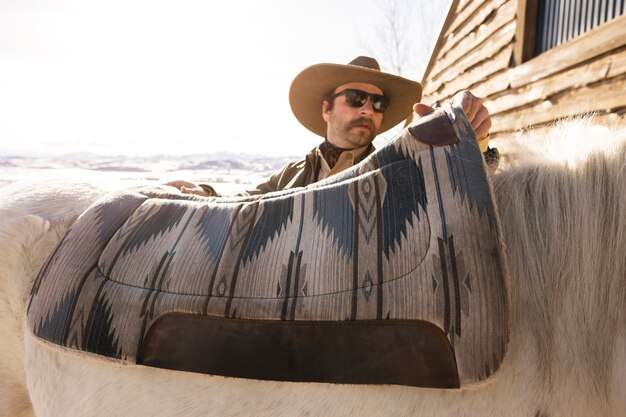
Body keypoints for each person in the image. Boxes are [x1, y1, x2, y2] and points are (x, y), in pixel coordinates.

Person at [166, 56, 491, 197]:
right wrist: (207, 193)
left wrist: (472, 148)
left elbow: (455, 193)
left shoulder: (401, 167)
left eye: (378, 103)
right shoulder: (292, 175)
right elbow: (248, 200)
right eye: (355, 97)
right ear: (326, 108)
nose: (367, 108)